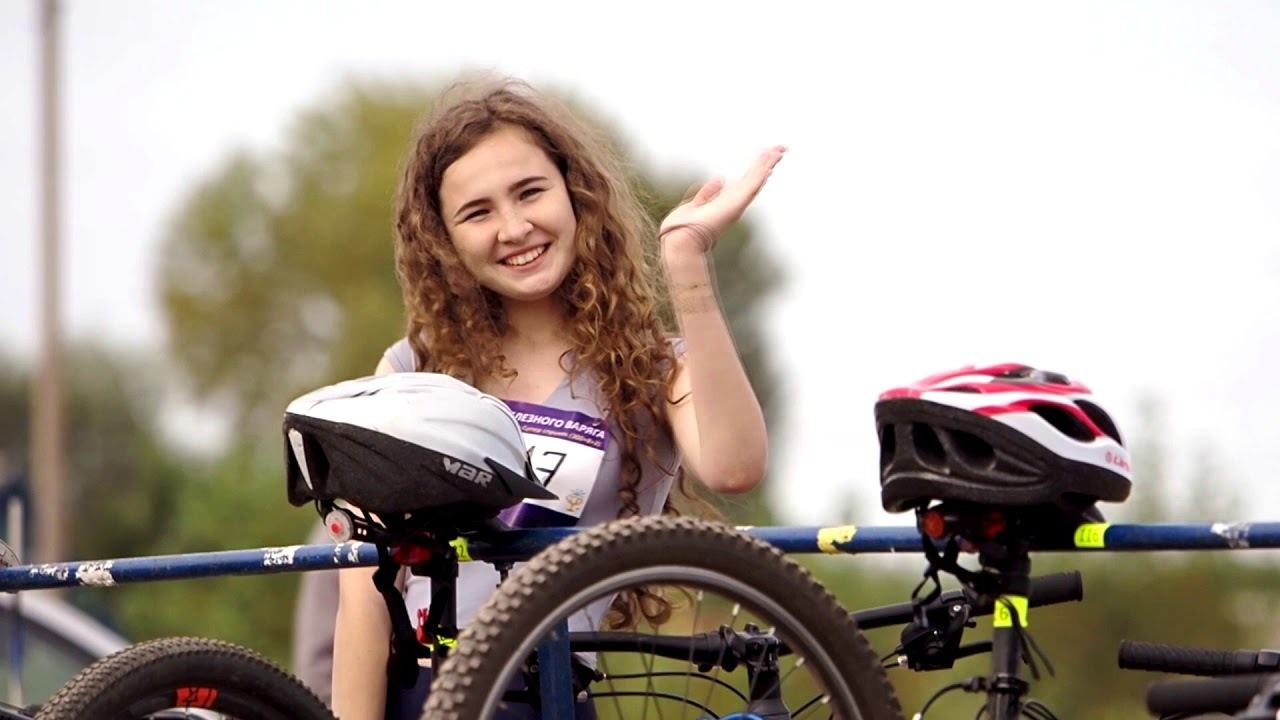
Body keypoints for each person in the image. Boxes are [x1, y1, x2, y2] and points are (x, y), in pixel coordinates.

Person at [331, 75, 780, 720]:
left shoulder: (652, 367)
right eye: (477, 212)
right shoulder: (412, 369)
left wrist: (686, 264)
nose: (514, 228)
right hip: (421, 696)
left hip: (547, 700)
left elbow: (736, 467)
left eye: (530, 192)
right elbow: (363, 596)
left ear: (576, 196)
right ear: (444, 239)